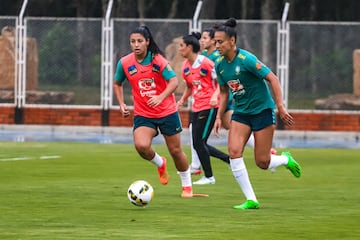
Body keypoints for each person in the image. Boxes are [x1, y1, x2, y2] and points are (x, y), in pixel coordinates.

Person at [213, 18, 302, 210]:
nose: (217, 45)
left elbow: (273, 79)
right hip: (241, 113)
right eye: (215, 42)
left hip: (262, 111)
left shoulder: (247, 60)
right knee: (234, 152)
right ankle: (251, 199)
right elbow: (223, 92)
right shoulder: (219, 65)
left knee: (262, 162)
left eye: (220, 42)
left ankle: (286, 159)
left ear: (232, 41)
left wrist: (281, 106)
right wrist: (219, 117)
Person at [113, 25, 207, 198]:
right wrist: (121, 104)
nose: (136, 45)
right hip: (144, 114)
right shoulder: (125, 63)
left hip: (167, 112)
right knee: (141, 146)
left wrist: (160, 97)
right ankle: (159, 162)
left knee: (176, 151)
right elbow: (117, 83)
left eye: (140, 41)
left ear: (147, 42)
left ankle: (187, 187)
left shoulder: (157, 60)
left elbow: (173, 82)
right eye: (133, 41)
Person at [177, 32, 230, 185]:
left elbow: (222, 83)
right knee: (199, 143)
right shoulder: (185, 66)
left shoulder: (206, 63)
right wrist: (181, 100)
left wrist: (215, 95)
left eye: (181, 46)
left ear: (189, 47)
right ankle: (227, 159)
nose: (179, 49)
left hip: (210, 106)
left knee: (199, 142)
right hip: (196, 107)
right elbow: (189, 86)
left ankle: (209, 177)